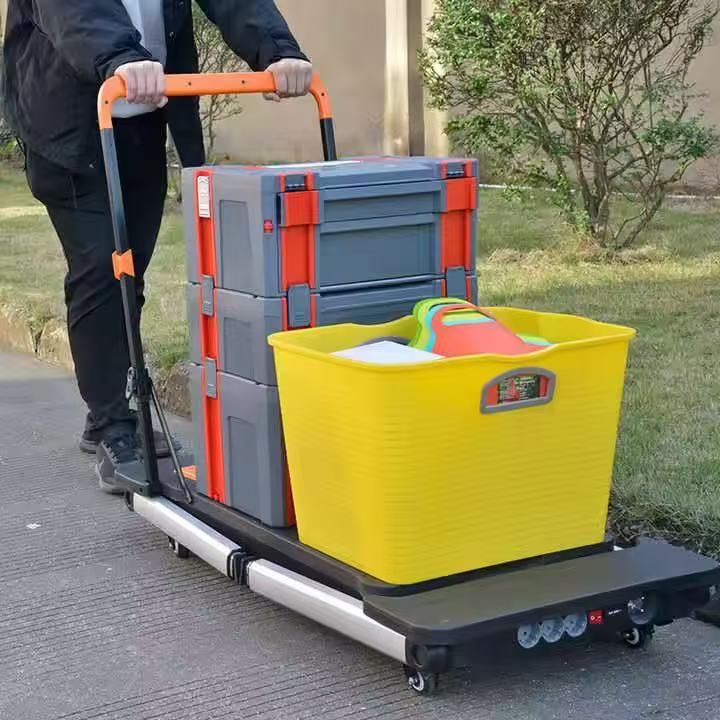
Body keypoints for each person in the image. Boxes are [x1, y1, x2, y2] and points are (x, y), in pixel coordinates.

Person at [2, 1, 312, 492]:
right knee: (103, 270)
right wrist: (119, 55)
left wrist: (276, 49)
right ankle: (113, 426)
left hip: (143, 112)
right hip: (70, 125)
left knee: (131, 273)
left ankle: (106, 409)